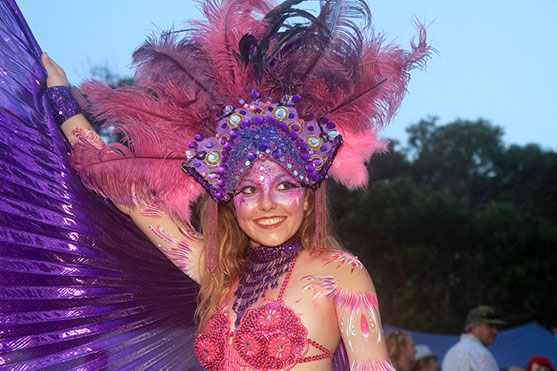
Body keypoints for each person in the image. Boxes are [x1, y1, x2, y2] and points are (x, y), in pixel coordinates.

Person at [1, 0, 430, 368]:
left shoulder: (341, 273)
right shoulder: (215, 269)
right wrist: (61, 104)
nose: (266, 203)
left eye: (283, 185)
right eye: (247, 189)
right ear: (228, 200)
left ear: (309, 194)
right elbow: (129, 196)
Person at [441, 305, 505, 371]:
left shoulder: (450, 354)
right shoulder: (481, 354)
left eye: (495, 327)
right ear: (473, 327)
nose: (495, 332)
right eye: (490, 326)